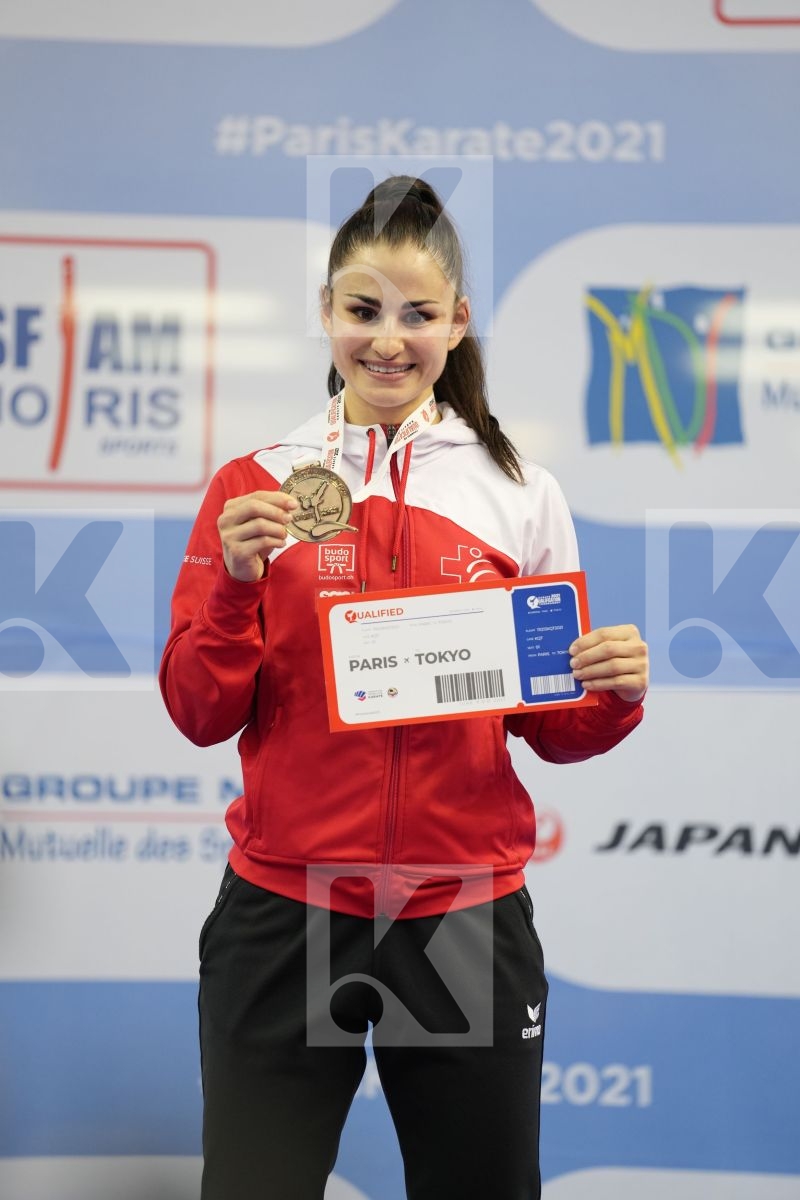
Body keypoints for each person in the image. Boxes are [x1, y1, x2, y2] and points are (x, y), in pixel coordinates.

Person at [159, 175, 648, 1200]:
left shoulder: (519, 490)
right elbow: (199, 712)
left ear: (457, 322)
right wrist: (236, 587)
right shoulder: (255, 484)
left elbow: (551, 722)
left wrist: (607, 692)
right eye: (362, 310)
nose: (388, 340)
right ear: (325, 313)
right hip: (287, 910)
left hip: (460, 914)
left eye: (418, 314)